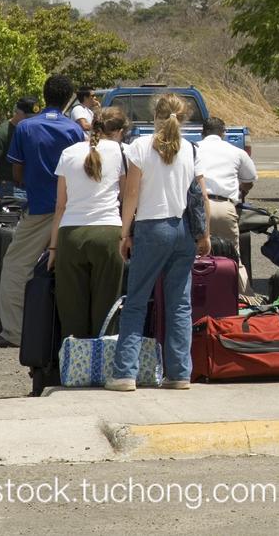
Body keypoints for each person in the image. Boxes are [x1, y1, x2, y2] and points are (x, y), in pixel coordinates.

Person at [110, 93, 210, 392]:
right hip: (183, 230)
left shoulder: (140, 146)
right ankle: (179, 373)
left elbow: (131, 194)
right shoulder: (191, 149)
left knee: (137, 301)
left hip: (152, 228)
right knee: (179, 304)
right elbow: (201, 195)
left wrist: (124, 232)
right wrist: (203, 234)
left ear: (154, 115)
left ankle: (125, 373)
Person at [0, 75, 85, 348]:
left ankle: (14, 333)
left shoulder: (26, 127)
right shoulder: (74, 130)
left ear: (44, 96)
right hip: (71, 210)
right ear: (69, 98)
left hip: (39, 208)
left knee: (16, 267)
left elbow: (17, 171)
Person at [47, 106, 128, 340]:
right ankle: (103, 364)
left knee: (72, 309)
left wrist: (53, 248)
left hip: (71, 234)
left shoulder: (68, 153)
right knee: (107, 308)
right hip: (108, 232)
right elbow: (124, 196)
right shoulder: (118, 151)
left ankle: (75, 366)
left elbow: (60, 206)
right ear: (118, 131)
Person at [198, 116, 258, 257]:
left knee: (197, 257)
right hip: (224, 208)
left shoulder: (192, 149)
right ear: (223, 133)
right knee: (232, 257)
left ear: (203, 133)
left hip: (198, 209)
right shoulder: (236, 152)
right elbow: (250, 179)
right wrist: (242, 189)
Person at [0, 97, 36, 202]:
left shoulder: (32, 130)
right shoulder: (3, 132)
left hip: (30, 187)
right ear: (17, 112)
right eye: (27, 116)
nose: (31, 120)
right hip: (9, 188)